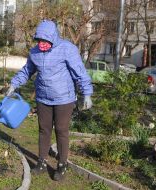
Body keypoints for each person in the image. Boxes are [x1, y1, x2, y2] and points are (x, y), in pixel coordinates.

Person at [6, 20, 93, 181]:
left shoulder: (67, 49)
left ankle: (62, 164)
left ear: (53, 37)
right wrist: (14, 84)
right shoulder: (35, 52)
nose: (43, 44)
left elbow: (79, 72)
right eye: (40, 40)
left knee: (61, 130)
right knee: (43, 130)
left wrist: (86, 93)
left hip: (64, 98)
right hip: (43, 97)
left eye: (46, 40)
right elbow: (27, 71)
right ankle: (41, 161)